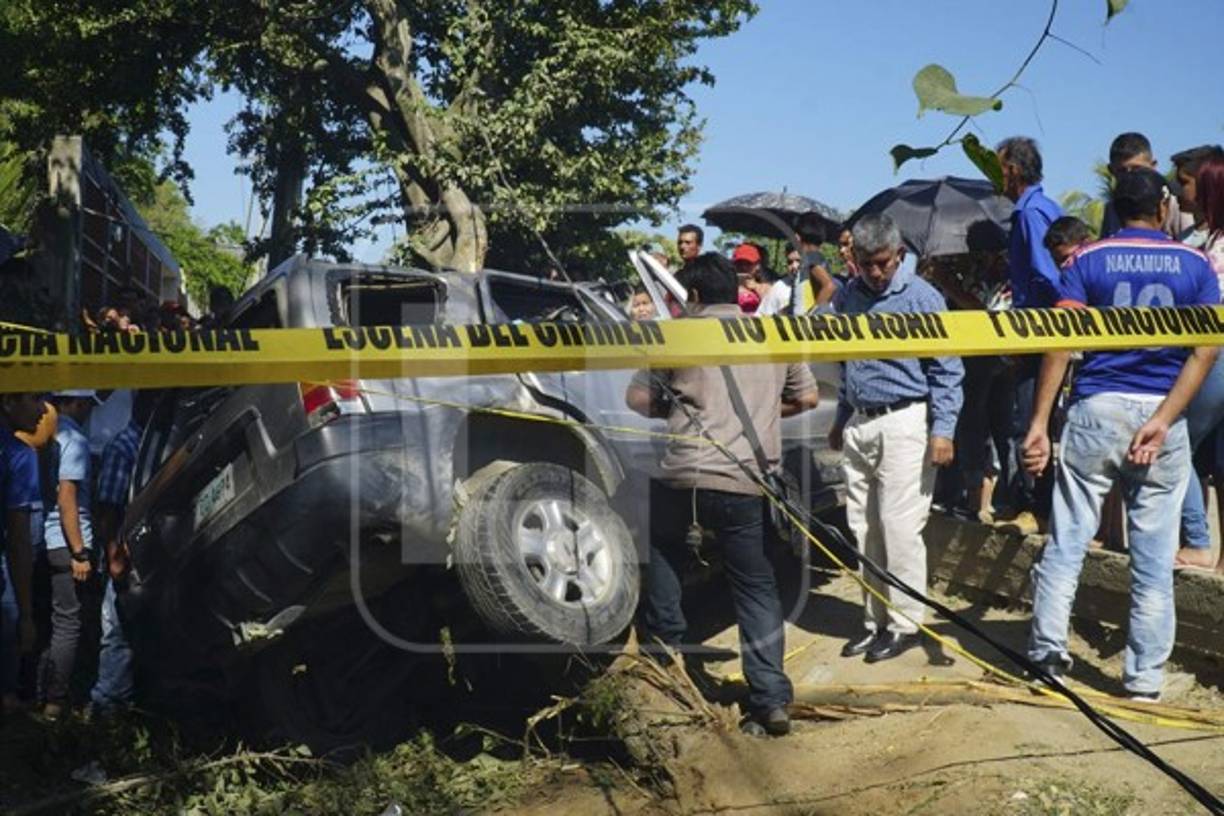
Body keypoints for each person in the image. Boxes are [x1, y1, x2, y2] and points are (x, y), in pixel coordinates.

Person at [1022, 168, 1219, 701]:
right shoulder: (1196, 263)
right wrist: (1164, 418)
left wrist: (1039, 423)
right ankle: (1143, 680)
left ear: (1113, 208)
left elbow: (1059, 343)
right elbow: (1206, 350)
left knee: (1067, 543)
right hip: (1162, 414)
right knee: (1153, 562)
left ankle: (1047, 660)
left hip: (1097, 409)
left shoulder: (1087, 259)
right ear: (1162, 209)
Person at [627, 251, 819, 737]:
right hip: (745, 481)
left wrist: (678, 408)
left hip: (684, 477)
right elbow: (809, 397)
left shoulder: (677, 335)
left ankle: (667, 661)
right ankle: (770, 699)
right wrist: (763, 416)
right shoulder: (774, 332)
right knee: (755, 585)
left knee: (663, 552)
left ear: (691, 296)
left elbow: (637, 400)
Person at [829, 215, 964, 663]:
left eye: (882, 263)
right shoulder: (847, 297)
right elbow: (847, 364)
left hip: (905, 420)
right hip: (861, 420)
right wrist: (842, 417)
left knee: (901, 529)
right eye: (866, 263)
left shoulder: (922, 298)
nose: (874, 272)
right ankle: (874, 621)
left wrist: (943, 430)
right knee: (863, 528)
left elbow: (946, 368)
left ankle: (907, 622)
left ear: (898, 256)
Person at [995, 136, 1064, 535]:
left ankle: (1036, 506)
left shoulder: (1029, 214)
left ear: (1013, 170)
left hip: (1038, 330)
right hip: (1042, 329)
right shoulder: (1045, 207)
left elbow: (1046, 274)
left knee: (1030, 417)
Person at [38, 389, 101, 720]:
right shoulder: (73, 439)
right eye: (87, 404)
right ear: (75, 403)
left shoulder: (48, 434)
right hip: (68, 542)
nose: (89, 411)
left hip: (48, 539)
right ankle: (56, 703)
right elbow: (68, 500)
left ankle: (40, 692)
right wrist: (80, 552)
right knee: (69, 624)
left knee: (55, 620)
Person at [1175, 155, 1224, 572]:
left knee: (1173, 443)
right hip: (1202, 352)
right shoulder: (1195, 236)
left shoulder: (1206, 244)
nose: (1177, 192)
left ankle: (1198, 539)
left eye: (1186, 183)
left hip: (1211, 356)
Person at [88, 394, 151, 715]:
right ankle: (108, 709)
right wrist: (114, 554)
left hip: (148, 553)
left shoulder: (154, 440)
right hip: (125, 558)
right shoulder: (124, 445)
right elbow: (108, 509)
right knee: (117, 634)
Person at [0, 393, 45, 720]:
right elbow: (18, 539)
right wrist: (27, 614)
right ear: (8, 403)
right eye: (35, 397)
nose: (44, 408)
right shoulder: (18, 455)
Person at [1099, 133, 1183, 238]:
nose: (1130, 176)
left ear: (1153, 166)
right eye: (1122, 171)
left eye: (1137, 169)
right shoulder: (1112, 209)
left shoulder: (1175, 204)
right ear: (1111, 171)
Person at [793, 213, 837, 311]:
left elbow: (829, 286)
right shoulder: (819, 257)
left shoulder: (810, 258)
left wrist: (812, 315)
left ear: (797, 237)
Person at [757, 247, 799, 317]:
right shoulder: (779, 287)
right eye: (790, 262)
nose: (794, 266)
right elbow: (762, 315)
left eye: (799, 261)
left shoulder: (820, 287)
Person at [731, 243, 763, 313]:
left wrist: (756, 287)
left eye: (748, 263)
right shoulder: (725, 286)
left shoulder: (765, 288)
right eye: (739, 263)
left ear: (757, 265)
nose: (743, 267)